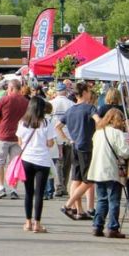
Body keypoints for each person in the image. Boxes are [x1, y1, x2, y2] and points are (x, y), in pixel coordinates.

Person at [88, 108, 129, 239]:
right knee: (113, 200)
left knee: (101, 199)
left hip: (97, 170)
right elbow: (125, 152)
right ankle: (112, 228)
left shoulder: (98, 133)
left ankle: (97, 226)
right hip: (111, 170)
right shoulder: (117, 133)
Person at [58, 82, 97, 220]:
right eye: (89, 91)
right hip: (87, 146)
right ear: (85, 92)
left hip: (75, 146)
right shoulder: (90, 108)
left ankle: (79, 210)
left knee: (76, 179)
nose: (90, 93)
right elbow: (98, 121)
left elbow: (58, 126)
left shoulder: (71, 110)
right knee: (89, 180)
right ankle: (68, 205)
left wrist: (68, 139)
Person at [16, 97, 56, 233]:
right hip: (42, 161)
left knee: (28, 192)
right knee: (39, 193)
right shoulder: (46, 122)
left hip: (26, 159)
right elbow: (50, 143)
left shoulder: (23, 123)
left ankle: (27, 222)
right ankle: (37, 223)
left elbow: (20, 142)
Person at [0, 79, 29, 199]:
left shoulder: (4, 100)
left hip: (3, 135)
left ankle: (1, 187)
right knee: (15, 164)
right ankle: (14, 189)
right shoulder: (26, 101)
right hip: (18, 137)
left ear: (11, 88)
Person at [51, 82, 76, 198]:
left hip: (55, 136)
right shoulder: (71, 104)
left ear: (56, 92)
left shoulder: (51, 104)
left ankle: (58, 186)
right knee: (67, 164)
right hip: (69, 136)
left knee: (57, 162)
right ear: (65, 92)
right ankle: (64, 186)